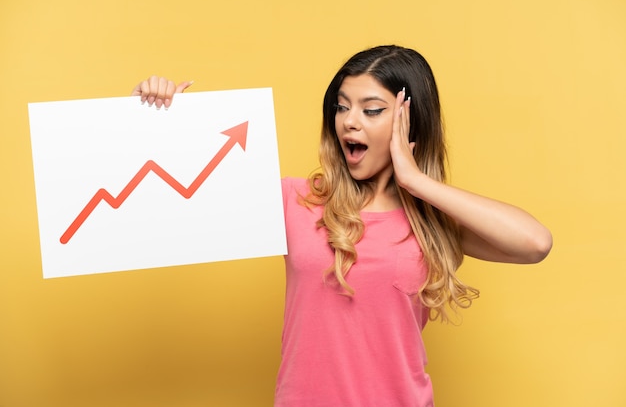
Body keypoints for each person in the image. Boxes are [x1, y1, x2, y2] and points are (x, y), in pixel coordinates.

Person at [132, 45, 552, 407]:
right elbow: (166, 200)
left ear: (410, 123)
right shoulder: (295, 200)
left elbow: (534, 243)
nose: (350, 121)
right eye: (342, 106)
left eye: (371, 110)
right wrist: (157, 120)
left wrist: (416, 181)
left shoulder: (433, 221)